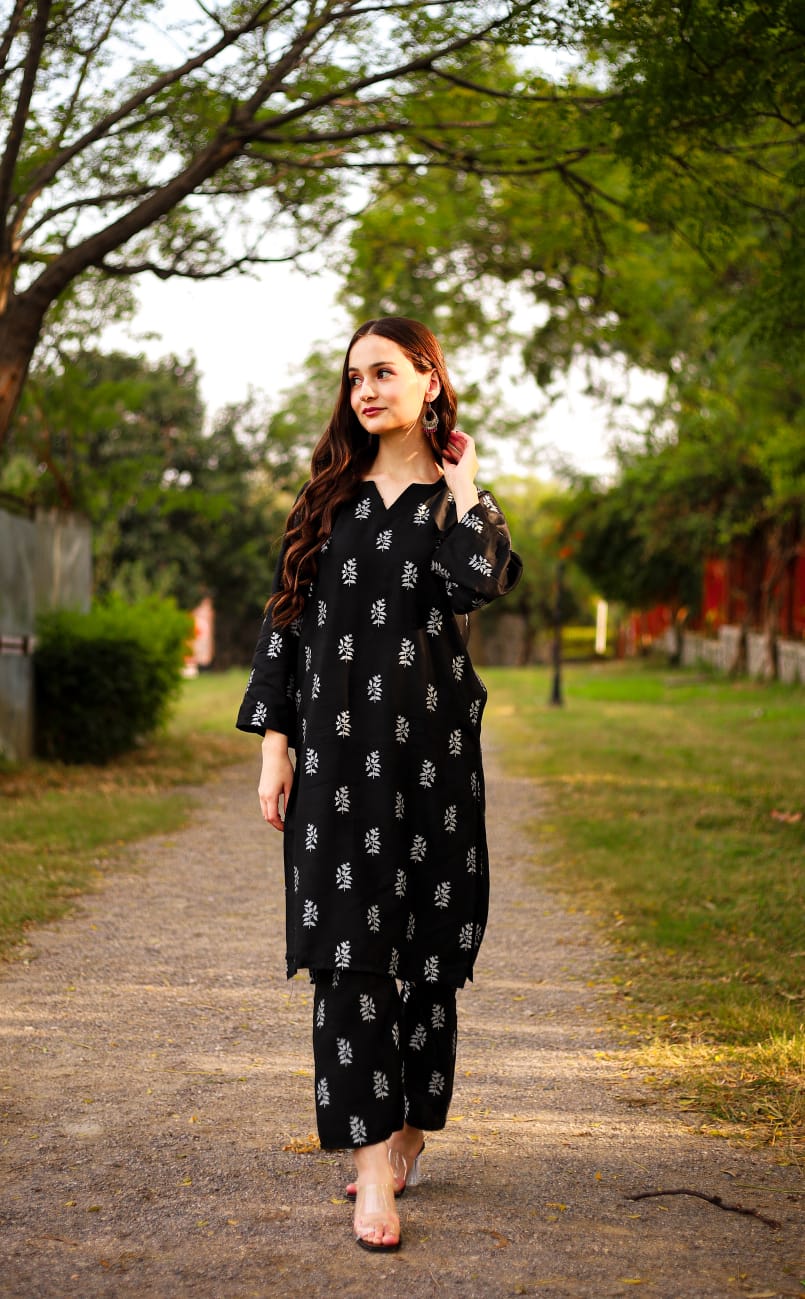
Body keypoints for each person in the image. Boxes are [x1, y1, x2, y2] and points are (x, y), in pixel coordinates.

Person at [236, 316, 522, 1252]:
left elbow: (479, 582)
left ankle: (410, 1125)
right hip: (334, 769)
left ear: (429, 380)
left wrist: (464, 481)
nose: (364, 390)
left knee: (428, 959)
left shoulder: (457, 505)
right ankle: (369, 1174)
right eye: (354, 376)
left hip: (432, 763)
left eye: (385, 372)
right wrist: (274, 744)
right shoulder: (324, 499)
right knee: (348, 956)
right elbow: (284, 623)